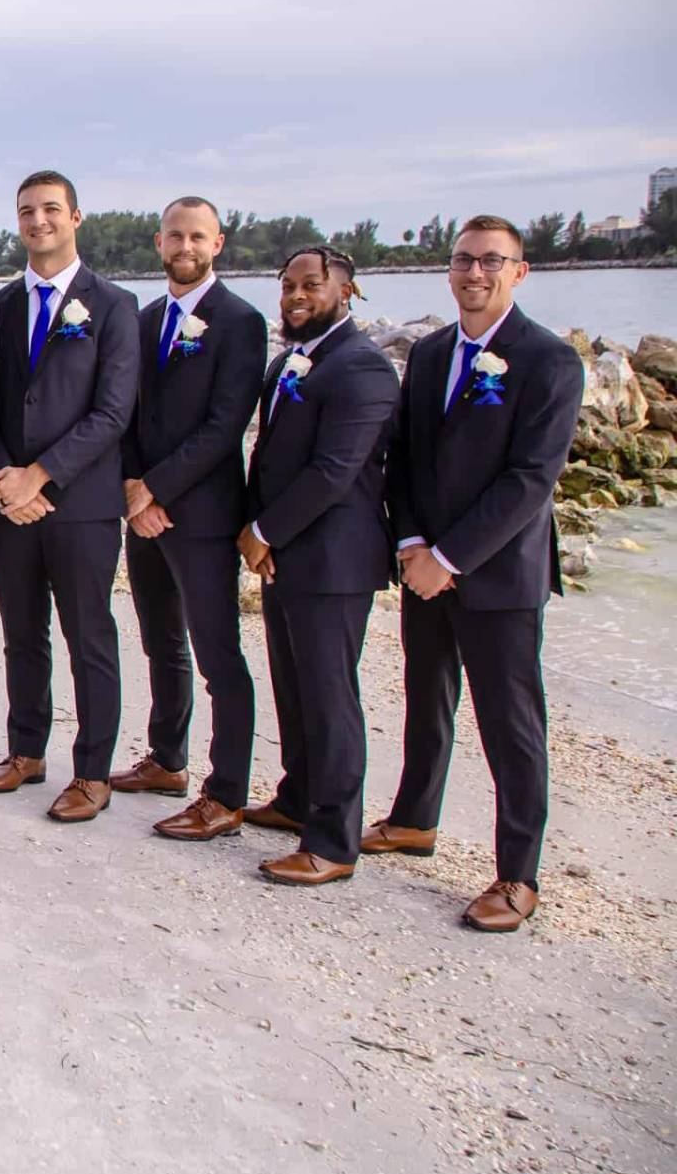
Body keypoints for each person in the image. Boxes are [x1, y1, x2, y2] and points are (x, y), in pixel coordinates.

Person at [370, 215, 584, 930]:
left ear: (519, 272)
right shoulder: (429, 356)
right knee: (426, 697)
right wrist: (411, 543)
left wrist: (450, 558)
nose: (474, 273)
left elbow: (531, 480)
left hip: (497, 576)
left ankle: (518, 874)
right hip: (424, 562)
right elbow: (406, 457)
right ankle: (414, 819)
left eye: (492, 261)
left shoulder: (549, 361)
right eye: (464, 260)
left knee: (511, 724)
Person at [0, 170, 140, 821]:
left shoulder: (114, 305)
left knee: (88, 636)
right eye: (26, 211)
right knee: (21, 634)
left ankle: (93, 771)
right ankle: (26, 751)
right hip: (7, 502)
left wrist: (40, 476)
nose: (37, 220)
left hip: (82, 504)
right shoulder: (0, 304)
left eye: (49, 209)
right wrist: (5, 478)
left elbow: (113, 410)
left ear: (75, 217)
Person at [239, 246, 398, 885]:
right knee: (295, 686)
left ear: (348, 291)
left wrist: (261, 531)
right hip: (288, 556)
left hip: (334, 561)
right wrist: (261, 534)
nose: (297, 295)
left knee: (331, 698)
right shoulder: (292, 361)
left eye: (312, 285)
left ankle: (332, 840)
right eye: (288, 286)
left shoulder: (363, 367)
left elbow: (335, 472)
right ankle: (298, 797)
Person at [115, 197, 267, 839]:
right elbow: (121, 409)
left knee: (218, 654)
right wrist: (130, 488)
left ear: (218, 243)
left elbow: (223, 425)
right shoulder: (144, 319)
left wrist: (155, 492)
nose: (185, 246)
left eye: (197, 236)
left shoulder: (241, 321)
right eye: (175, 235)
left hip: (200, 515)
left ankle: (227, 792)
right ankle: (168, 758)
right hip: (141, 511)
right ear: (158, 242)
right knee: (160, 641)